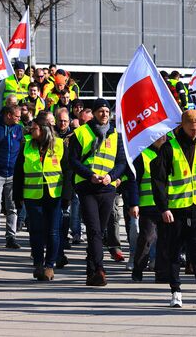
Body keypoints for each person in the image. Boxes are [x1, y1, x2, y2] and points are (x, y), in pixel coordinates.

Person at [151, 109, 196, 309]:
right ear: (182, 126)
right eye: (192, 129)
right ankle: (176, 292)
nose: (195, 133)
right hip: (175, 210)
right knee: (174, 253)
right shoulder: (169, 149)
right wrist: (163, 207)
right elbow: (158, 180)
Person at [69, 98, 126, 286]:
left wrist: (111, 176)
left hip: (107, 188)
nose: (104, 114)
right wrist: (90, 175)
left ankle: (90, 271)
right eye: (101, 111)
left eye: (107, 111)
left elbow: (121, 162)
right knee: (93, 230)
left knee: (99, 232)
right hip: (87, 187)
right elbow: (73, 161)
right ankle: (100, 269)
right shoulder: (81, 133)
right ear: (93, 113)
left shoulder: (116, 135)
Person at [13, 112, 71, 281]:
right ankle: (38, 263)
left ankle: (49, 265)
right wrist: (18, 197)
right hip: (33, 195)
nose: (31, 131)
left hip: (54, 195)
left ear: (45, 129)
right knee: (36, 231)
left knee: (53, 231)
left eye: (35, 128)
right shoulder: (26, 146)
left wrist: (67, 195)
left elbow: (68, 171)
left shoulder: (59, 144)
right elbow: (18, 173)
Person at [128, 135, 169, 282]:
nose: (163, 138)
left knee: (165, 240)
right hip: (148, 204)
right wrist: (134, 203)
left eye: (165, 135)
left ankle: (162, 273)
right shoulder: (142, 155)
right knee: (147, 238)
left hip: (167, 205)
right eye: (160, 135)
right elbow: (134, 181)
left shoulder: (169, 152)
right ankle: (138, 270)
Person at [0, 105, 24, 248]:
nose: (19, 119)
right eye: (17, 116)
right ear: (8, 115)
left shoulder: (19, 129)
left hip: (13, 174)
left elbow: (22, 148)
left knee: (12, 206)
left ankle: (10, 237)